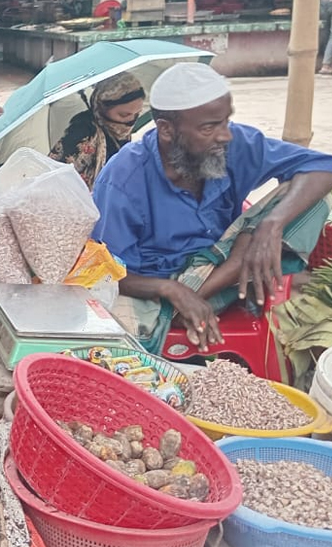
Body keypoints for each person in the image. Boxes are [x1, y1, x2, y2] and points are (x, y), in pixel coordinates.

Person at [92, 63, 332, 355]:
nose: (225, 135)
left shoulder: (234, 143)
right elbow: (108, 273)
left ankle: (235, 264)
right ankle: (221, 277)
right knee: (116, 345)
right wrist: (173, 291)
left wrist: (272, 225)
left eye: (226, 121)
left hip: (226, 258)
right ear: (167, 130)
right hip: (159, 287)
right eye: (209, 127)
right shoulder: (123, 180)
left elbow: (323, 167)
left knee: (312, 199)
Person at [48, 73, 144, 189]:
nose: (130, 120)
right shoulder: (82, 134)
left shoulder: (118, 133)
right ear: (102, 107)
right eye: (124, 114)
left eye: (137, 114)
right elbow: (58, 183)